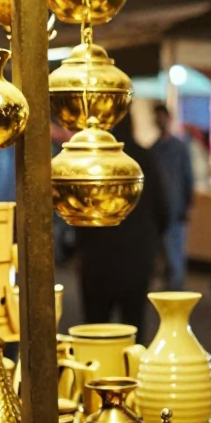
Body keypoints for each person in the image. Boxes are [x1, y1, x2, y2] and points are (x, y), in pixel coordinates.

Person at [74, 112, 169, 341]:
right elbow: (163, 210)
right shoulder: (143, 158)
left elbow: (79, 212)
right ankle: (132, 374)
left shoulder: (93, 161)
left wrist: (78, 247)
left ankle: (97, 374)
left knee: (95, 331)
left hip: (98, 258)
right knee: (133, 328)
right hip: (136, 257)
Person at [150, 103, 193, 290]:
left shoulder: (178, 148)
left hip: (175, 208)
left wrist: (186, 205)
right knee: (164, 251)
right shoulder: (154, 149)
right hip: (161, 209)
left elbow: (187, 178)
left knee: (175, 250)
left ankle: (175, 289)